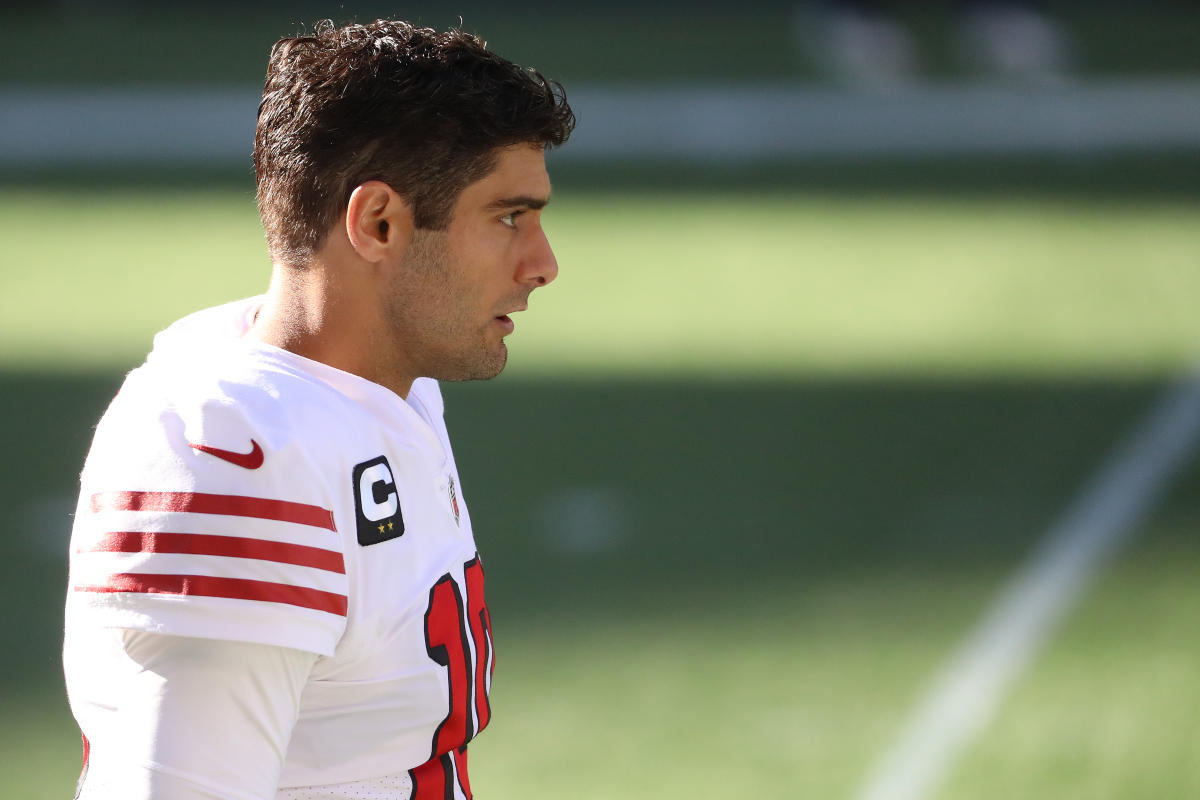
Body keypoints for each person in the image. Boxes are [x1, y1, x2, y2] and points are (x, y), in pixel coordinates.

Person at [63, 18, 574, 800]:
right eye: (509, 216)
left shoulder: (381, 386)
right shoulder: (238, 454)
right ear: (378, 224)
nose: (543, 264)